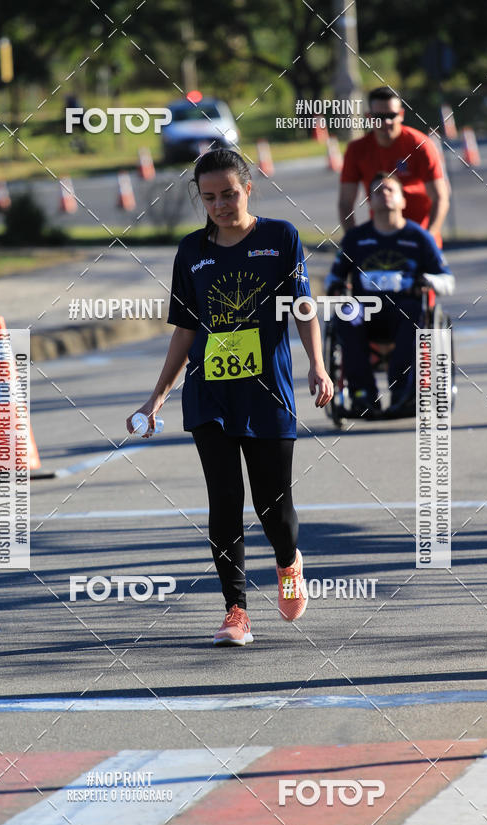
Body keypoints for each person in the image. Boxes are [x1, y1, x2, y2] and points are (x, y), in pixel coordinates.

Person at [127, 149, 333, 646]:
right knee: (224, 501)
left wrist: (318, 365)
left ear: (248, 190)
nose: (219, 205)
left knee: (273, 508)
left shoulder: (280, 237)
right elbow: (185, 329)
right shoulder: (191, 250)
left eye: (229, 194)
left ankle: (287, 561)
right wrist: (157, 397)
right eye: (209, 197)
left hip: (267, 393)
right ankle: (235, 610)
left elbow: (303, 307)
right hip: (209, 395)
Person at [327, 171, 454, 418]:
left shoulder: (419, 237)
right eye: (377, 191)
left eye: (390, 189)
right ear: (369, 202)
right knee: (346, 314)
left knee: (414, 313)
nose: (384, 193)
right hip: (366, 309)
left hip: (404, 309)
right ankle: (363, 395)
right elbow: (334, 277)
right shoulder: (355, 238)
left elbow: (447, 281)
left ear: (403, 200)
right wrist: (335, 287)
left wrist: (427, 280)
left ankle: (403, 393)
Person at [338, 86, 450, 245]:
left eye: (392, 115)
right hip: (380, 241)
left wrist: (428, 237)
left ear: (401, 114)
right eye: (380, 117)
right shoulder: (357, 150)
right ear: (369, 117)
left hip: (419, 238)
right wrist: (353, 242)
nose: (386, 122)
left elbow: (440, 197)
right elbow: (345, 202)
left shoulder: (420, 145)